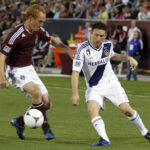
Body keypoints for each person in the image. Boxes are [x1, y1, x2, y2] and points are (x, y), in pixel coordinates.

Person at [0, 4, 74, 140]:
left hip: (29, 68)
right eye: (39, 21)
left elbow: (51, 39)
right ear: (30, 18)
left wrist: (68, 50)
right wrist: (2, 78)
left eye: (43, 22)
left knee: (47, 104)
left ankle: (19, 121)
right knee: (35, 92)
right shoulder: (16, 34)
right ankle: (46, 128)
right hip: (14, 70)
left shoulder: (37, 30)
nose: (41, 24)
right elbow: (2, 55)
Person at [71, 22, 150, 146]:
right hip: (94, 87)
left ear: (105, 36)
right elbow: (75, 72)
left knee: (127, 110)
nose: (98, 39)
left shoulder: (107, 45)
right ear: (91, 34)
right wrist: (75, 93)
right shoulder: (82, 49)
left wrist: (128, 58)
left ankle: (145, 132)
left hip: (111, 84)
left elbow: (114, 56)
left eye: (102, 36)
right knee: (92, 110)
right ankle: (105, 139)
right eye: (96, 35)